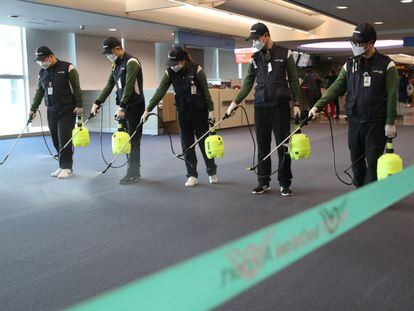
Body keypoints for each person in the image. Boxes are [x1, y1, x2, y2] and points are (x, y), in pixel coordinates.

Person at [309, 23, 398, 188]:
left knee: (373, 160)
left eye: (359, 43)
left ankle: (371, 193)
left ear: (370, 43)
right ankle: (360, 189)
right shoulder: (349, 65)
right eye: (353, 42)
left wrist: (390, 121)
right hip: (355, 120)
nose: (355, 46)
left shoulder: (387, 65)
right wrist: (317, 106)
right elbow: (336, 87)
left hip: (375, 122)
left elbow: (392, 94)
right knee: (355, 158)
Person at [226, 22, 301, 196]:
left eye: (256, 39)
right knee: (262, 147)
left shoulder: (285, 53)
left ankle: (284, 182)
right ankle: (263, 181)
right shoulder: (254, 58)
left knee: (283, 146)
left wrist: (296, 103)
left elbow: (294, 80)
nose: (254, 43)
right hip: (261, 107)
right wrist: (234, 103)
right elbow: (246, 84)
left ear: (265, 36)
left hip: (280, 106)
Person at [141, 46, 217, 187]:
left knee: (204, 143)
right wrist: (148, 110)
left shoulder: (197, 70)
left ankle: (212, 171)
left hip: (199, 112)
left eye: (176, 63)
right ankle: (192, 175)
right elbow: (160, 91)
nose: (173, 66)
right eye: (171, 64)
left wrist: (211, 110)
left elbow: (206, 92)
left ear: (183, 61)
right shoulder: (169, 72)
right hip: (183, 113)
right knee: (186, 145)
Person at [91, 37, 145, 185]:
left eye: (110, 52)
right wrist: (97, 102)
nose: (109, 56)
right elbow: (110, 84)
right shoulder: (116, 64)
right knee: (126, 139)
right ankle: (133, 170)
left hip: (134, 106)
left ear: (118, 48)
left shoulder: (131, 62)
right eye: (107, 53)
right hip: (124, 105)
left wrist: (122, 107)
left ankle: (133, 173)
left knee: (133, 141)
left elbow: (129, 87)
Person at [29, 46, 83, 178]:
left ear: (51, 56)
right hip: (51, 110)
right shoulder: (42, 73)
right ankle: (61, 165)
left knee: (64, 138)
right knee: (55, 139)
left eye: (44, 59)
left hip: (67, 109)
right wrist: (33, 108)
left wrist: (79, 105)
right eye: (39, 61)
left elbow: (76, 87)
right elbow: (39, 91)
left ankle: (67, 167)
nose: (42, 62)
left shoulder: (68, 67)